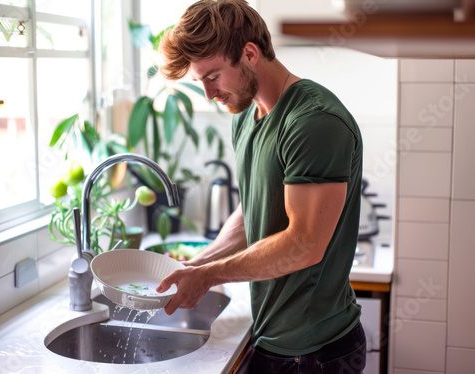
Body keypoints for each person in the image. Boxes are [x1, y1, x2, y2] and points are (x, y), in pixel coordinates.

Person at [155, 0, 366, 372]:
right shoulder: (247, 114)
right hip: (273, 340)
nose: (208, 93)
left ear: (249, 53)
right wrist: (199, 263)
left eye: (213, 76)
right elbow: (254, 208)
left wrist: (207, 275)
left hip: (315, 352)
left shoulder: (313, 121)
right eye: (198, 81)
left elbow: (304, 245)